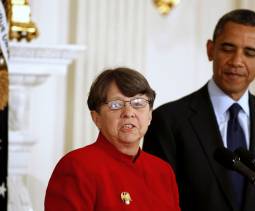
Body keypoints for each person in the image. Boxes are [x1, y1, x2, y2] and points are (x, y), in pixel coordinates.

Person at [143, 9, 255, 211]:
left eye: (249, 52)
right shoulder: (169, 120)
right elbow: (157, 202)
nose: (236, 61)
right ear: (210, 49)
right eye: (227, 48)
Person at [44, 67, 181, 211]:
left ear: (150, 115)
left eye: (138, 103)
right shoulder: (77, 166)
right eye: (116, 105)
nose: (129, 113)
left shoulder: (162, 172)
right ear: (96, 118)